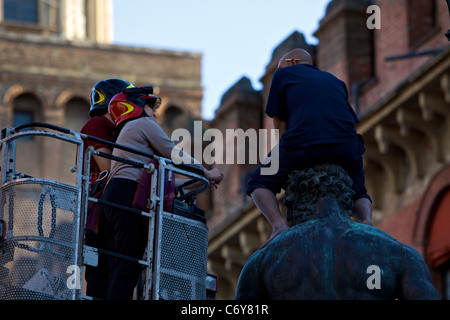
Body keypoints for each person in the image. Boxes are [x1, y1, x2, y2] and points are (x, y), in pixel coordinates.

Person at [235, 164, 440, 300]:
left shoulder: (262, 262)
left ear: (299, 200)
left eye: (288, 204)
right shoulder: (400, 253)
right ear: (348, 199)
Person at [98, 88, 223, 300]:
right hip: (128, 195)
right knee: (128, 267)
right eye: (150, 107)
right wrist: (206, 172)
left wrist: (198, 181)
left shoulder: (126, 135)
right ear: (135, 106)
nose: (155, 113)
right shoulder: (143, 124)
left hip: (111, 198)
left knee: (116, 267)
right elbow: (173, 153)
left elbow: (156, 181)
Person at [247, 48, 372, 249]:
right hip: (347, 144)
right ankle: (367, 220)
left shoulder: (283, 74)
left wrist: (283, 151)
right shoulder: (335, 81)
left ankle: (278, 226)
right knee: (358, 186)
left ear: (292, 62)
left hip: (305, 140)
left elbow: (279, 122)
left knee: (258, 182)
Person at [80, 78, 134, 299]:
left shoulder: (111, 128)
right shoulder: (99, 125)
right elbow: (107, 168)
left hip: (105, 207)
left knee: (111, 271)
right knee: (102, 274)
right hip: (101, 208)